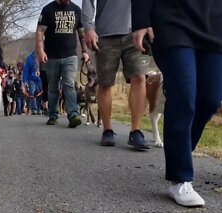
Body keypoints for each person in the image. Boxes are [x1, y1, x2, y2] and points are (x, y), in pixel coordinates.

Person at [131, 0, 222, 207]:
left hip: (220, 21)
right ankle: (180, 178)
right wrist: (141, 19)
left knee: (211, 100)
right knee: (183, 96)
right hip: (173, 18)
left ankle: (180, 152)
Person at [81, 0, 149, 149]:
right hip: (105, 35)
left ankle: (136, 131)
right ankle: (107, 130)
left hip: (136, 31)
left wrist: (150, 23)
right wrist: (88, 28)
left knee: (139, 77)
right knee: (105, 83)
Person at [36, 0, 89, 128]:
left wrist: (85, 51)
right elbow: (40, 32)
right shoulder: (48, 9)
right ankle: (53, 115)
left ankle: (72, 115)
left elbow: (82, 34)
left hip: (70, 55)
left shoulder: (76, 9)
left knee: (69, 85)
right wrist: (41, 51)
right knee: (53, 87)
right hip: (52, 56)